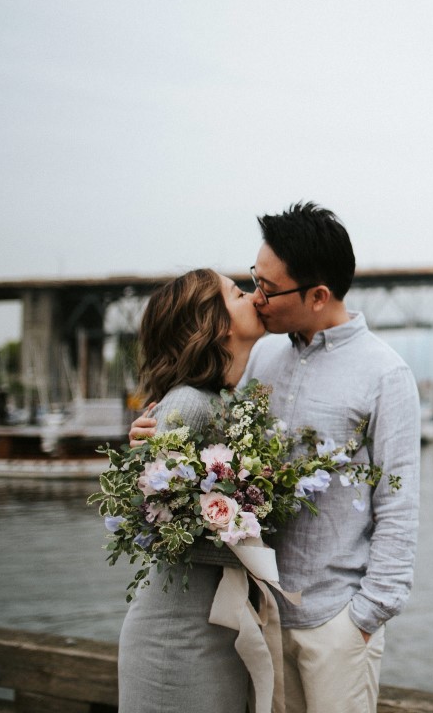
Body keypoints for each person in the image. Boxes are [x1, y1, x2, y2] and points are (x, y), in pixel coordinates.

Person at [131, 202, 421, 713]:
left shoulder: (385, 375)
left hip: (337, 621)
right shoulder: (258, 357)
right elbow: (198, 426)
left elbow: (398, 500)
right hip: (257, 619)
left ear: (317, 296)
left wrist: (367, 615)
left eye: (268, 288)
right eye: (253, 280)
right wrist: (147, 440)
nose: (257, 296)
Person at [118, 268, 265, 712]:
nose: (255, 296)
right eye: (239, 293)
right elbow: (147, 516)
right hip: (176, 637)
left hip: (219, 627)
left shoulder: (228, 403)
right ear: (216, 323)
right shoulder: (187, 403)